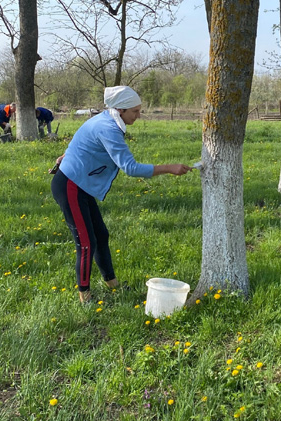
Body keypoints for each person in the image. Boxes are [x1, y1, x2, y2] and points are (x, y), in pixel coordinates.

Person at [51, 85, 193, 304]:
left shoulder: (105, 120)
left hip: (81, 184)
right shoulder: (107, 128)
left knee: (101, 236)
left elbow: (79, 141)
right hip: (71, 185)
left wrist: (69, 154)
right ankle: (85, 296)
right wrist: (169, 168)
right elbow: (130, 168)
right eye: (134, 112)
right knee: (86, 242)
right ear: (120, 110)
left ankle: (112, 283)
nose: (138, 115)